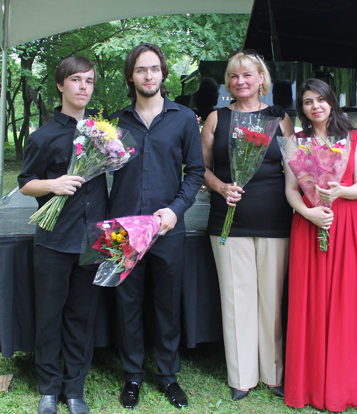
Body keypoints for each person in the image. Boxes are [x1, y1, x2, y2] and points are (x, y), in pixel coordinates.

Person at [283, 78, 357, 413]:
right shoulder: (295, 142)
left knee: (347, 300)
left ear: (332, 102)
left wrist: (339, 191)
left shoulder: (354, 137)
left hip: (347, 225)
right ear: (302, 109)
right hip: (309, 222)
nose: (315, 107)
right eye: (308, 102)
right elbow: (290, 190)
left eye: (320, 100)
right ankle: (310, 383)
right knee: (310, 300)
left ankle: (344, 382)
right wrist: (309, 212)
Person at [108, 43, 205, 410]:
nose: (148, 75)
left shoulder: (183, 118)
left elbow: (195, 172)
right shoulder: (114, 124)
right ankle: (132, 374)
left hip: (167, 229)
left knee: (167, 305)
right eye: (140, 70)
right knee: (127, 304)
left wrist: (176, 210)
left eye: (154, 69)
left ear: (163, 74)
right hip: (123, 229)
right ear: (131, 76)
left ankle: (167, 375)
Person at [201, 50, 294, 401]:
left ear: (261, 80)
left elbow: (295, 165)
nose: (241, 81)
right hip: (227, 222)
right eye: (235, 76)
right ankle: (241, 376)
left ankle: (274, 372)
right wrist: (222, 187)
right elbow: (200, 167)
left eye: (248, 75)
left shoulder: (279, 117)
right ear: (229, 82)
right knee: (236, 299)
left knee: (271, 299)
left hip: (275, 220)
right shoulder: (216, 118)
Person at [18, 57, 106, 414]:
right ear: (60, 85)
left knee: (82, 317)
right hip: (54, 238)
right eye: (75, 80)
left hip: (92, 238)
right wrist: (53, 184)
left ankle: (75, 390)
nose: (83, 87)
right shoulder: (43, 136)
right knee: (50, 314)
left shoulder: (103, 134)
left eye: (89, 81)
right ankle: (49, 389)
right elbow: (25, 184)